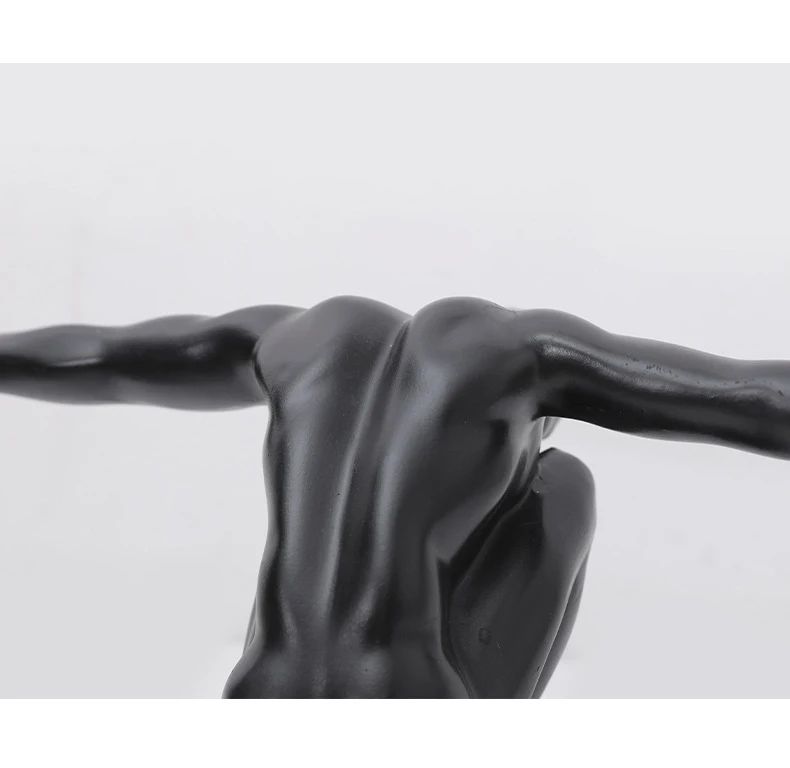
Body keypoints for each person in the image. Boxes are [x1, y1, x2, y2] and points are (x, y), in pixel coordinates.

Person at [1, 295, 789, 697]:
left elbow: (108, 356)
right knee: (564, 484)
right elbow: (751, 397)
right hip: (409, 694)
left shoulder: (300, 336)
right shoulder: (526, 356)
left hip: (259, 690)